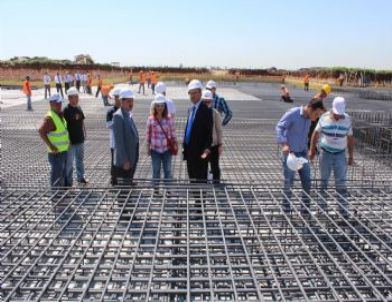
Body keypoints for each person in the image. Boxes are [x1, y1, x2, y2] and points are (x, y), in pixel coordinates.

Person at [276, 98, 325, 213]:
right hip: (290, 154)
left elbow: (306, 136)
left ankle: (305, 209)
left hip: (302, 153)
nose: (317, 117)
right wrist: (284, 144)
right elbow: (279, 127)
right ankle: (286, 209)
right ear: (311, 109)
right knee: (289, 182)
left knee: (307, 181)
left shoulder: (309, 119)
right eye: (317, 113)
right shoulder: (293, 113)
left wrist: (312, 149)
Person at [309, 97, 354, 217]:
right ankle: (321, 209)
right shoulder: (324, 118)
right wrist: (312, 150)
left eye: (339, 114)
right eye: (336, 113)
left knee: (341, 182)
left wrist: (351, 156)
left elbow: (350, 139)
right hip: (325, 153)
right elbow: (315, 134)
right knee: (323, 181)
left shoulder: (347, 120)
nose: (337, 116)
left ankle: (343, 210)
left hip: (340, 154)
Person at [183, 79, 213, 182]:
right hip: (190, 152)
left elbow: (209, 133)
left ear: (200, 93)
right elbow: (189, 129)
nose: (192, 96)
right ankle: (197, 198)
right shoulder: (190, 109)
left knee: (201, 182)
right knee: (192, 179)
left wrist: (206, 151)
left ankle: (200, 199)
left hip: (200, 154)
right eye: (190, 93)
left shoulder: (206, 110)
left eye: (195, 93)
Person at [146, 94, 178, 191]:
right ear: (154, 106)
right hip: (155, 150)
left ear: (165, 107)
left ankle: (168, 189)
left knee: (167, 170)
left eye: (162, 106)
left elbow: (173, 132)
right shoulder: (151, 119)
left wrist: (176, 144)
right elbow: (148, 134)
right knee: (156, 170)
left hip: (166, 150)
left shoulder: (169, 119)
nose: (160, 108)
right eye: (158, 105)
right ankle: (156, 190)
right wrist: (147, 147)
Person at [38, 94, 70, 187]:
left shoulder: (59, 115)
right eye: (57, 103)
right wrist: (51, 146)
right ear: (51, 103)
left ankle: (61, 196)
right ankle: (56, 197)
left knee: (62, 174)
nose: (60, 105)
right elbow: (41, 131)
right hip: (56, 153)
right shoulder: (50, 118)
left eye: (60, 103)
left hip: (63, 151)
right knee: (56, 176)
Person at [112, 89, 139, 185]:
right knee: (124, 183)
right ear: (121, 101)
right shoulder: (118, 116)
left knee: (129, 178)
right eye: (128, 101)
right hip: (126, 157)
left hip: (132, 154)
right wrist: (124, 160)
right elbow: (119, 142)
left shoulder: (127, 114)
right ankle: (125, 196)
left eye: (132, 101)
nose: (131, 103)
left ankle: (129, 183)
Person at [63, 87, 87, 186]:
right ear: (69, 98)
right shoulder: (66, 110)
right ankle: (68, 182)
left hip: (80, 140)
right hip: (70, 142)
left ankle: (81, 178)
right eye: (74, 97)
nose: (77, 99)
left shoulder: (79, 108)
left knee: (80, 160)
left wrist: (84, 133)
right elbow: (63, 127)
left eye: (77, 97)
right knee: (69, 164)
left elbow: (82, 121)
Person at [202, 90, 223, 183]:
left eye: (208, 101)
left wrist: (220, 145)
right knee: (202, 166)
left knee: (215, 166)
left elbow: (219, 130)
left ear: (211, 101)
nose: (207, 103)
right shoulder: (198, 113)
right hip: (202, 146)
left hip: (213, 145)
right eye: (205, 101)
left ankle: (216, 183)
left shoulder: (215, 113)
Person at [106, 87, 122, 186]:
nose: (118, 100)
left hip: (124, 141)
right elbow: (108, 125)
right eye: (116, 98)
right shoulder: (110, 111)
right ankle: (114, 179)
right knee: (114, 162)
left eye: (119, 98)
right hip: (114, 142)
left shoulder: (125, 110)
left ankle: (124, 178)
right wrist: (118, 122)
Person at [308, 84, 331, 148]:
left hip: (315, 117)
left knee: (313, 132)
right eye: (326, 94)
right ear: (325, 93)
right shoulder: (318, 98)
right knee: (312, 132)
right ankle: (310, 146)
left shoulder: (319, 97)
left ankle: (311, 145)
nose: (326, 96)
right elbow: (323, 109)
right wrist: (330, 114)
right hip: (313, 118)